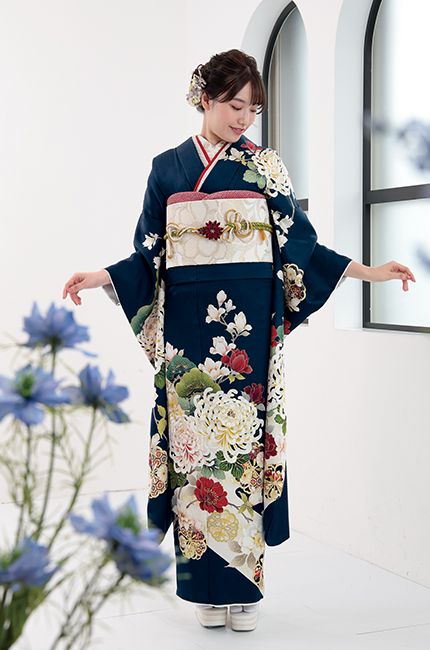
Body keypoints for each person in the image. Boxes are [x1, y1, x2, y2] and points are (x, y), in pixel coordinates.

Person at [63, 49, 415, 632]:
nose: (244, 118)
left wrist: (368, 272)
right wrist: (101, 276)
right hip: (187, 333)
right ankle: (204, 590)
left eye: (253, 108)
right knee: (195, 450)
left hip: (246, 333)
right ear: (205, 99)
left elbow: (300, 245)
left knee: (243, 448)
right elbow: (148, 254)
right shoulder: (167, 168)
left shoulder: (265, 167)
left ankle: (245, 588)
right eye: (234, 105)